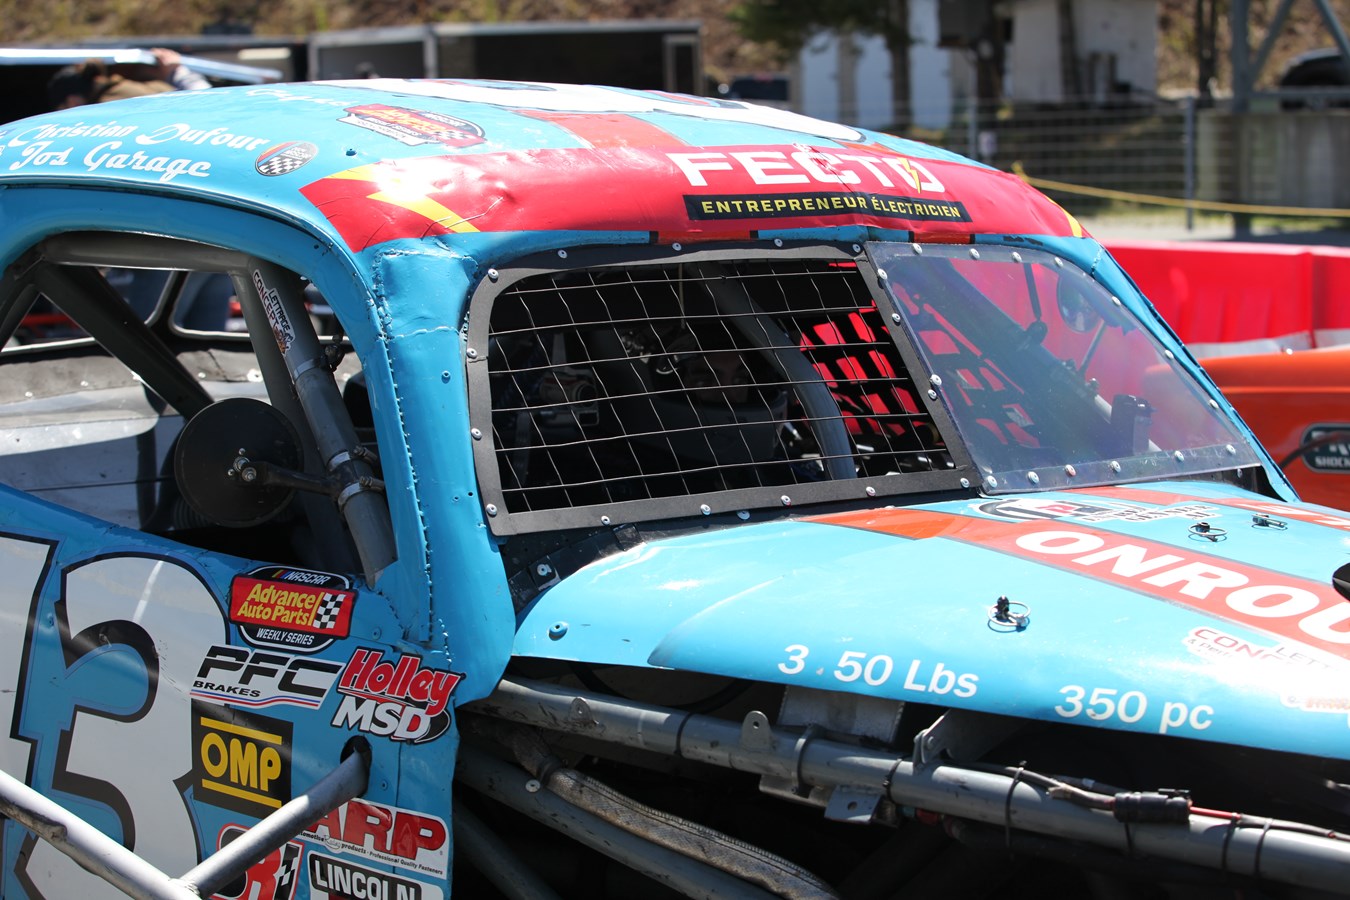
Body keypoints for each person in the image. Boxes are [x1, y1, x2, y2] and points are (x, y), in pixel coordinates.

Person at [47, 48, 210, 109]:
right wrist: (177, 72)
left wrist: (178, 72)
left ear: (72, 101)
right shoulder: (150, 86)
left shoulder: (108, 110)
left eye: (62, 108)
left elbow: (205, 102)